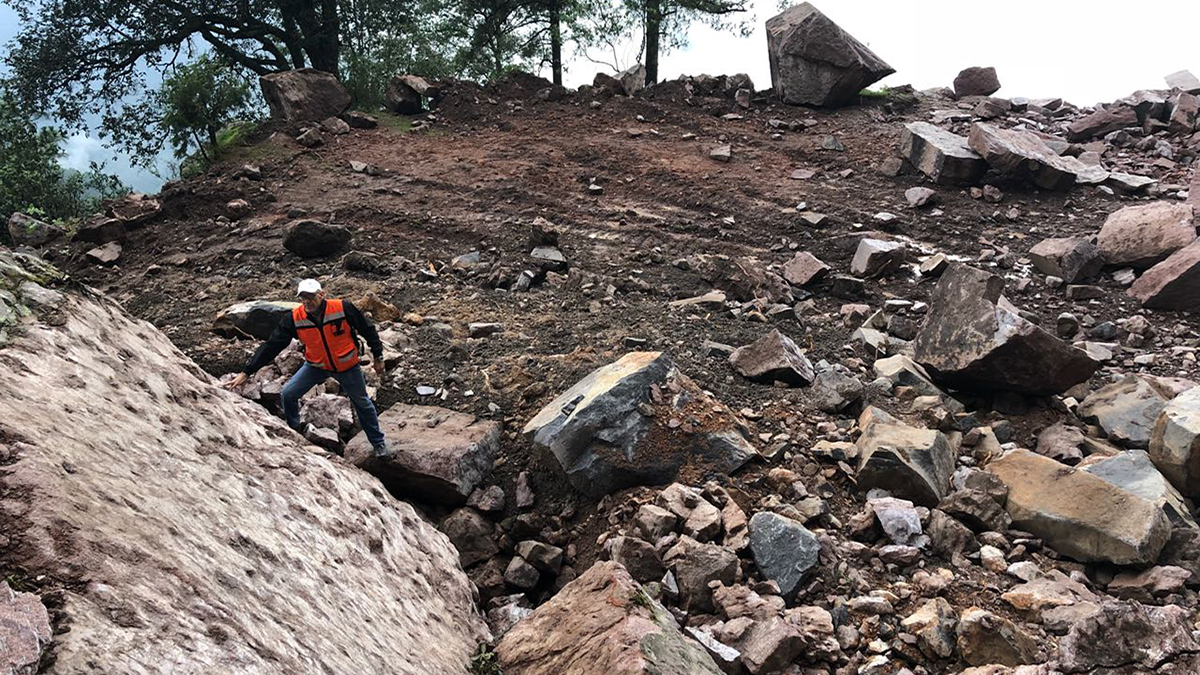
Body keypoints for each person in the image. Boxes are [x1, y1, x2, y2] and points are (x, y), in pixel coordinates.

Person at [224, 279, 391, 458]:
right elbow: (273, 345)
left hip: (346, 366)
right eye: (303, 297)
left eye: (310, 297)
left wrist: (378, 356)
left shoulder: (342, 308)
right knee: (288, 394)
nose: (307, 301)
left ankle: (378, 444)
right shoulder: (294, 318)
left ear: (321, 295)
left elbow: (368, 329)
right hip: (316, 365)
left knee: (362, 403)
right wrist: (247, 371)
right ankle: (295, 432)